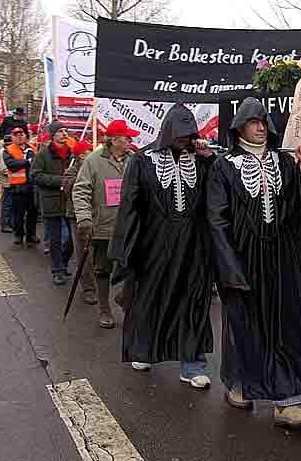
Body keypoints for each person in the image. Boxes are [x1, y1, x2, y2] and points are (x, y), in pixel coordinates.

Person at [208, 98, 301, 427]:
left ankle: (288, 402)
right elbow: (217, 219)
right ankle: (241, 383)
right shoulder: (224, 166)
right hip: (243, 255)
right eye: (253, 122)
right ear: (240, 126)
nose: (260, 127)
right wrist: (228, 264)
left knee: (286, 323)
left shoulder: (284, 162)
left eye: (263, 122)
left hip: (281, 254)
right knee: (245, 322)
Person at [109, 104, 216, 389]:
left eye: (189, 134)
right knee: (149, 298)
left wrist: (210, 159)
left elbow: (218, 198)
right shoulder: (143, 161)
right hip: (153, 245)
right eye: (180, 133)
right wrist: (124, 251)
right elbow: (130, 206)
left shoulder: (202, 161)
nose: (185, 139)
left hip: (193, 246)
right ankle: (144, 351)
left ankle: (191, 365)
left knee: (192, 301)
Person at [73, 121, 138, 328]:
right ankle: (104, 309)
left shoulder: (135, 160)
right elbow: (80, 190)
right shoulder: (93, 161)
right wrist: (84, 218)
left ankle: (124, 297)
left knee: (135, 267)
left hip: (129, 226)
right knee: (102, 269)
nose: (130, 140)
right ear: (114, 140)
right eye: (127, 137)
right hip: (103, 226)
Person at [30, 122, 75, 286]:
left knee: (72, 239)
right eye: (60, 131)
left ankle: (62, 262)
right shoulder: (42, 155)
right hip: (51, 201)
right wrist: (59, 181)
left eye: (65, 131)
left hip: (70, 201)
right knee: (55, 239)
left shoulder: (72, 154)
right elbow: (35, 176)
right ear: (53, 135)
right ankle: (57, 270)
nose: (64, 134)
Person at [63, 139, 96, 306]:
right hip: (77, 218)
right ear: (82, 155)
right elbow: (71, 188)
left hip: (97, 216)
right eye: (91, 151)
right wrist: (86, 174)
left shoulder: (97, 167)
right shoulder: (71, 171)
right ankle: (88, 288)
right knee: (84, 253)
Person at [3, 127, 39, 245]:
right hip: (17, 187)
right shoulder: (8, 150)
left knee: (33, 213)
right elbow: (11, 165)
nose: (19, 136)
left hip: (32, 186)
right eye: (16, 135)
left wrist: (28, 161)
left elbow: (37, 163)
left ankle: (31, 234)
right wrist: (27, 161)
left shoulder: (33, 148)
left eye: (21, 134)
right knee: (18, 214)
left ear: (25, 136)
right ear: (12, 137)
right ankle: (18, 234)